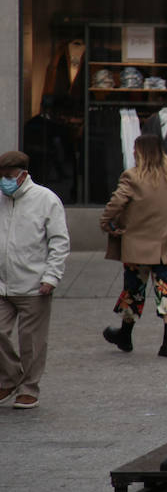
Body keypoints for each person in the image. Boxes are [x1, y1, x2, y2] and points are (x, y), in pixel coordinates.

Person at [100, 134, 167, 358]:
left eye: (136, 149)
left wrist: (106, 222)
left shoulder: (132, 177)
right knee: (166, 287)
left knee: (133, 289)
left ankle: (126, 335)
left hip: (136, 246)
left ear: (140, 152)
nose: (133, 153)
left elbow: (116, 202)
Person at [0, 150, 70, 410]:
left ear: (23, 175)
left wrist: (51, 276)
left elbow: (59, 241)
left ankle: (29, 388)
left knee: (31, 341)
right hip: (2, 283)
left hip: (33, 284)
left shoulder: (46, 199)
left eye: (8, 177)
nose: (3, 182)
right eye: (0, 177)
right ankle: (9, 378)